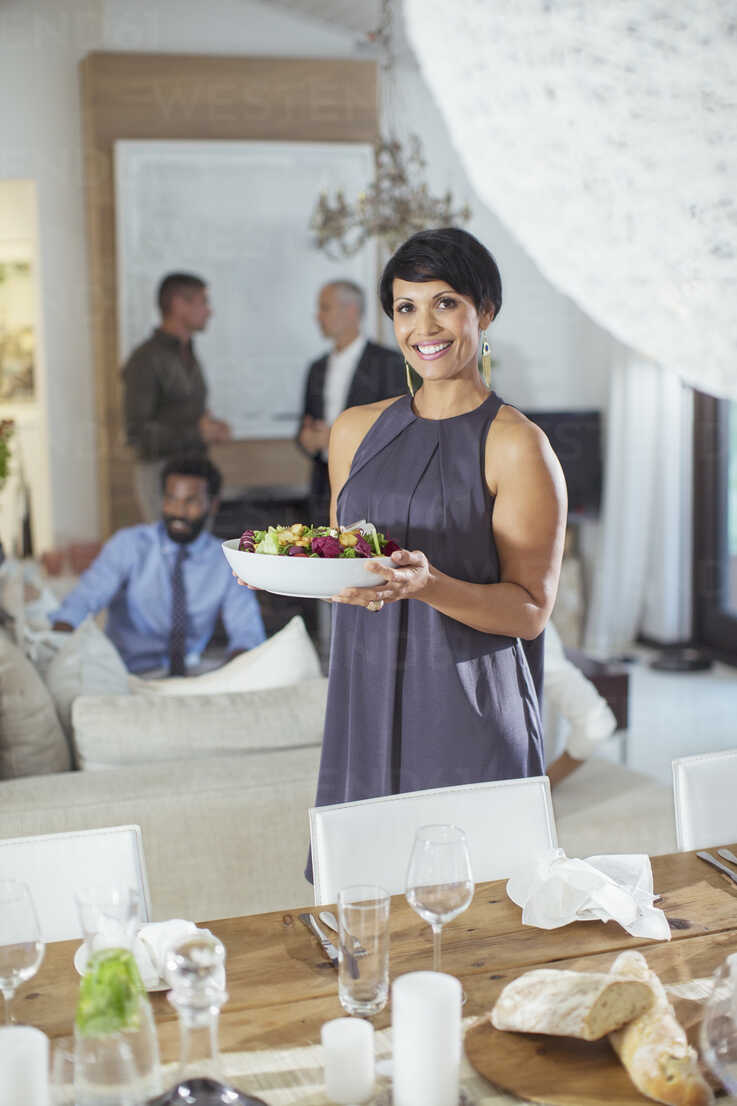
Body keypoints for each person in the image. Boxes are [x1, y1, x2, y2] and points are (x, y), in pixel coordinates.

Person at [311, 228, 567, 865]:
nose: (424, 325)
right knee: (366, 909)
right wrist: (282, 570)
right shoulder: (353, 431)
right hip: (362, 692)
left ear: (484, 311)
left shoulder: (517, 444)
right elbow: (341, 557)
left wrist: (430, 584)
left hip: (465, 702)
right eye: (405, 307)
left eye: (446, 302)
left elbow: (531, 612)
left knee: (476, 917)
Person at [50, 456, 265, 675]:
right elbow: (85, 599)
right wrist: (57, 642)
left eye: (191, 501)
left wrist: (240, 669)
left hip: (191, 672)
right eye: (171, 499)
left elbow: (247, 631)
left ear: (213, 505)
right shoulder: (129, 545)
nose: (178, 512)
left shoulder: (227, 559)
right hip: (126, 674)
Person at [123, 272, 231, 522]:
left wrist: (211, 429)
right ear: (179, 305)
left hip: (196, 472)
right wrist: (198, 433)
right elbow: (136, 436)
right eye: (203, 302)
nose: (209, 311)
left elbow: (184, 415)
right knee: (169, 555)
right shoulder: (145, 359)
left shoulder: (187, 352)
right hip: (162, 479)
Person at [297, 280, 404, 523]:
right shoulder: (317, 368)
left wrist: (337, 439)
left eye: (325, 308)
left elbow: (399, 431)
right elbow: (304, 429)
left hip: (374, 489)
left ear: (351, 310)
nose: (318, 316)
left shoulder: (388, 363)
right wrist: (306, 440)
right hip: (323, 490)